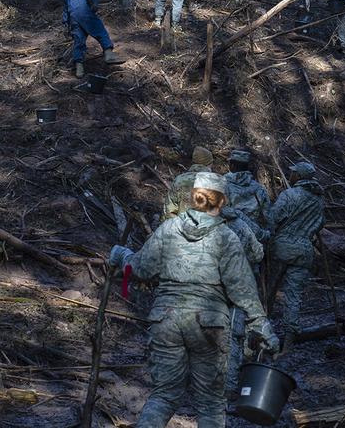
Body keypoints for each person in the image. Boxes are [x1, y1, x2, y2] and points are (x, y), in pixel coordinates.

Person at [109, 172, 279, 428]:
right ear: (222, 201)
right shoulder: (226, 237)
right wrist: (261, 323)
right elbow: (242, 287)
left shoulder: (168, 229)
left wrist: (122, 256)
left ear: (193, 197)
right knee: (211, 402)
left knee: (164, 395)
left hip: (165, 320)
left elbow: (140, 269)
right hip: (209, 323)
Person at [267, 161, 325, 353]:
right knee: (293, 297)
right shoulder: (318, 200)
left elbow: (273, 219)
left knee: (268, 292)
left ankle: (261, 334)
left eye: (292, 173)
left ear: (299, 177)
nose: (289, 175)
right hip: (304, 252)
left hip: (281, 249)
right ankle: (288, 344)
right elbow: (319, 224)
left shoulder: (289, 195)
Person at [220, 205, 265, 396]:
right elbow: (257, 253)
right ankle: (229, 388)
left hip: (205, 290)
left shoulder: (203, 225)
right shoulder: (241, 225)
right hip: (237, 288)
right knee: (233, 339)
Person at [63, 0, 126, 79]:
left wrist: (65, 22)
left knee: (79, 41)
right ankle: (109, 54)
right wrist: (94, 7)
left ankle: (79, 69)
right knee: (100, 30)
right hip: (84, 12)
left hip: (73, 16)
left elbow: (65, 8)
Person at [225, 150, 271, 231]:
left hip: (231, 234)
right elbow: (267, 216)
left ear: (232, 165)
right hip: (254, 233)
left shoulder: (222, 185)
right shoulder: (259, 188)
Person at [162, 146, 213, 219]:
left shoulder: (179, 180)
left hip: (181, 227)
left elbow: (169, 210)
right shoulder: (215, 182)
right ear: (209, 163)